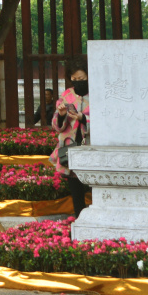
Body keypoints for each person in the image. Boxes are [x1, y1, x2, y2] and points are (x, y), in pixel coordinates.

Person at [49, 61, 90, 217]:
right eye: (74, 79)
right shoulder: (67, 94)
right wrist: (61, 115)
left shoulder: (97, 93)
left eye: (81, 78)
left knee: (93, 183)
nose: (78, 82)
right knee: (75, 184)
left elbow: (104, 119)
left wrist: (83, 118)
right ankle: (79, 215)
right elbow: (56, 125)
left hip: (90, 145)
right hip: (70, 145)